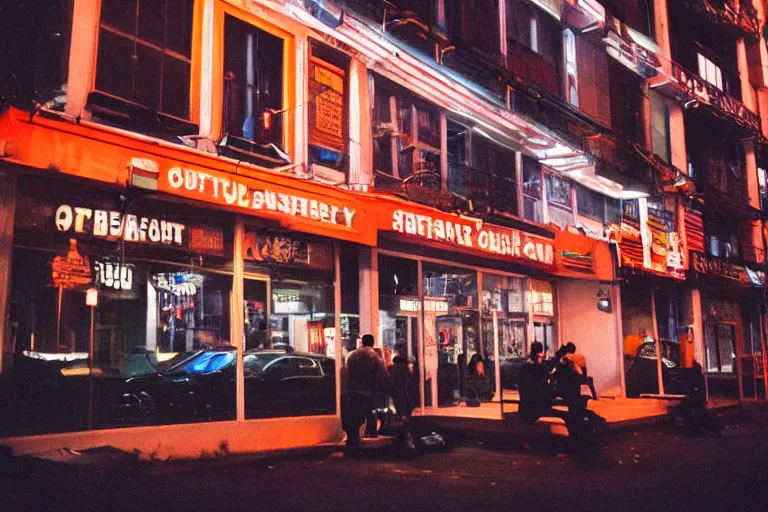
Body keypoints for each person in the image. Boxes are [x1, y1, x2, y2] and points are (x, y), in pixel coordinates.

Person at [342, 334, 390, 452]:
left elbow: (345, 371)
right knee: (362, 415)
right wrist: (388, 384)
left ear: (362, 342)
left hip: (350, 390)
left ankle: (353, 438)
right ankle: (355, 438)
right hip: (365, 390)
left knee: (353, 414)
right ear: (372, 343)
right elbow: (382, 371)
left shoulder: (352, 354)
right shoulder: (372, 355)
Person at [518, 342, 552, 424]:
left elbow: (521, 387)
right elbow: (545, 385)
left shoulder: (524, 367)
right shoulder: (541, 368)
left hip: (524, 406)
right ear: (538, 354)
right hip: (538, 405)